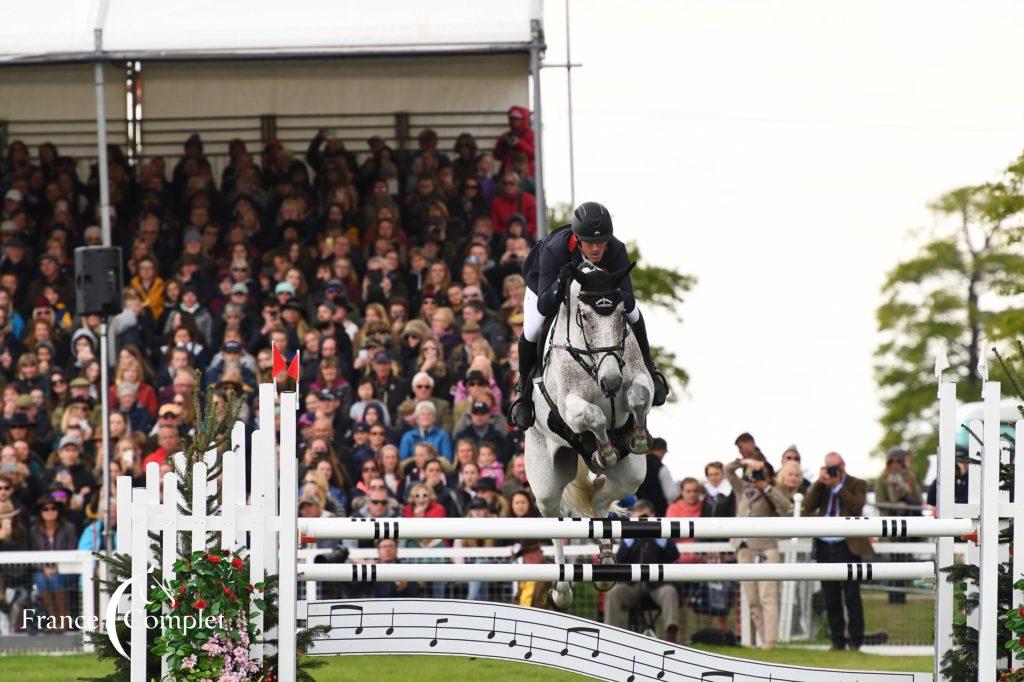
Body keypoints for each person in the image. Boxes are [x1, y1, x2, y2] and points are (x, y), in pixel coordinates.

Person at [507, 202, 668, 428]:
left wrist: (614, 291)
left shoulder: (617, 249)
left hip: (593, 293)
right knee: (533, 328)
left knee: (632, 312)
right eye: (590, 243)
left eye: (601, 242)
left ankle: (651, 369)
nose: (596, 249)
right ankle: (523, 394)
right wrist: (560, 284)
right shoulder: (556, 250)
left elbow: (628, 300)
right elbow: (544, 304)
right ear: (577, 238)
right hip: (541, 285)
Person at [801, 452, 870, 651]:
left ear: (843, 465)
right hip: (824, 545)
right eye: (828, 467)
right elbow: (807, 506)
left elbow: (856, 506)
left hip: (846, 545)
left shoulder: (857, 483)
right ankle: (837, 641)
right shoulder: (822, 486)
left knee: (851, 596)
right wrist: (819, 482)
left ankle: (856, 641)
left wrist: (838, 486)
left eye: (834, 467)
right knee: (830, 596)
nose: (831, 470)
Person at [725, 457, 792, 649]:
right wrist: (745, 462)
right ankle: (763, 638)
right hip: (744, 548)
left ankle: (771, 641)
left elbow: (786, 506)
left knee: (767, 596)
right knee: (752, 598)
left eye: (760, 472)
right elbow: (727, 470)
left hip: (766, 548)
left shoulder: (773, 490)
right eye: (754, 472)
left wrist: (766, 486)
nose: (755, 476)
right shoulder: (742, 488)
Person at [603, 499, 681, 642]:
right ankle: (610, 635)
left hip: (657, 586)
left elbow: (674, 554)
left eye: (646, 516)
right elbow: (618, 560)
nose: (642, 520)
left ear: (653, 515)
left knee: (669, 591)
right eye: (639, 516)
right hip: (632, 585)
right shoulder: (629, 534)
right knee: (614, 592)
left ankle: (671, 635)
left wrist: (659, 536)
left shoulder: (662, 531)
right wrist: (629, 539)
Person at [635, 437, 675, 516]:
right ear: (663, 451)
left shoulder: (638, 466)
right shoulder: (661, 468)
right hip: (658, 515)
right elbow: (671, 495)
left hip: (638, 512)